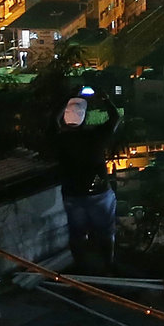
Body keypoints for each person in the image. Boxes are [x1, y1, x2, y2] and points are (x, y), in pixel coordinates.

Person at [53, 91, 124, 271]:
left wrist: (65, 99)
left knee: (77, 232)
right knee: (106, 231)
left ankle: (80, 266)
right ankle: (108, 264)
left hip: (72, 193)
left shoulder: (59, 139)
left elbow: (52, 120)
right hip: (98, 191)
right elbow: (115, 117)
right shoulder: (96, 136)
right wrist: (105, 100)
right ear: (84, 118)